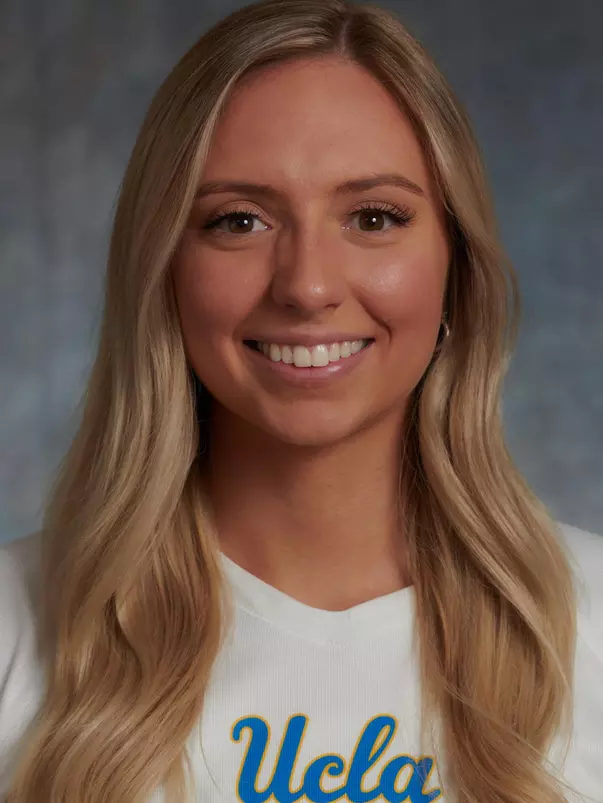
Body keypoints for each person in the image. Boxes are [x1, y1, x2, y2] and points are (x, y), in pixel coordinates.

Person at [1, 0, 602, 801]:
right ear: (162, 269)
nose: (307, 285)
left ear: (455, 262)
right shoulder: (16, 627)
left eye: (373, 217)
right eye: (238, 220)